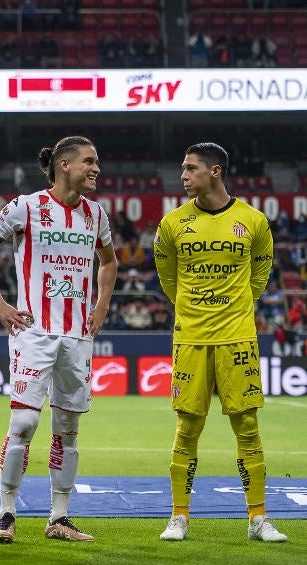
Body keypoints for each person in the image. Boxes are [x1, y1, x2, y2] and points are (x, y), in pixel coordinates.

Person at [0, 135, 117, 543]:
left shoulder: (95, 214)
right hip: (33, 331)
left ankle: (59, 519)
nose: (96, 169)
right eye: (89, 161)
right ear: (64, 165)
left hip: (77, 336)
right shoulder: (26, 207)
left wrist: (101, 305)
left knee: (67, 428)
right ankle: (7, 513)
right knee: (25, 422)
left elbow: (109, 261)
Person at [154, 142, 286, 543]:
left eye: (190, 168)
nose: (183, 175)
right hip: (191, 337)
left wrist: (233, 307)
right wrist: (196, 309)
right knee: (187, 426)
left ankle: (258, 518)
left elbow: (259, 277)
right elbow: (169, 280)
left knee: (247, 425)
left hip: (238, 336)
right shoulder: (172, 224)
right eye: (182, 168)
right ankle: (179, 517)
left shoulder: (253, 221)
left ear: (215, 171)